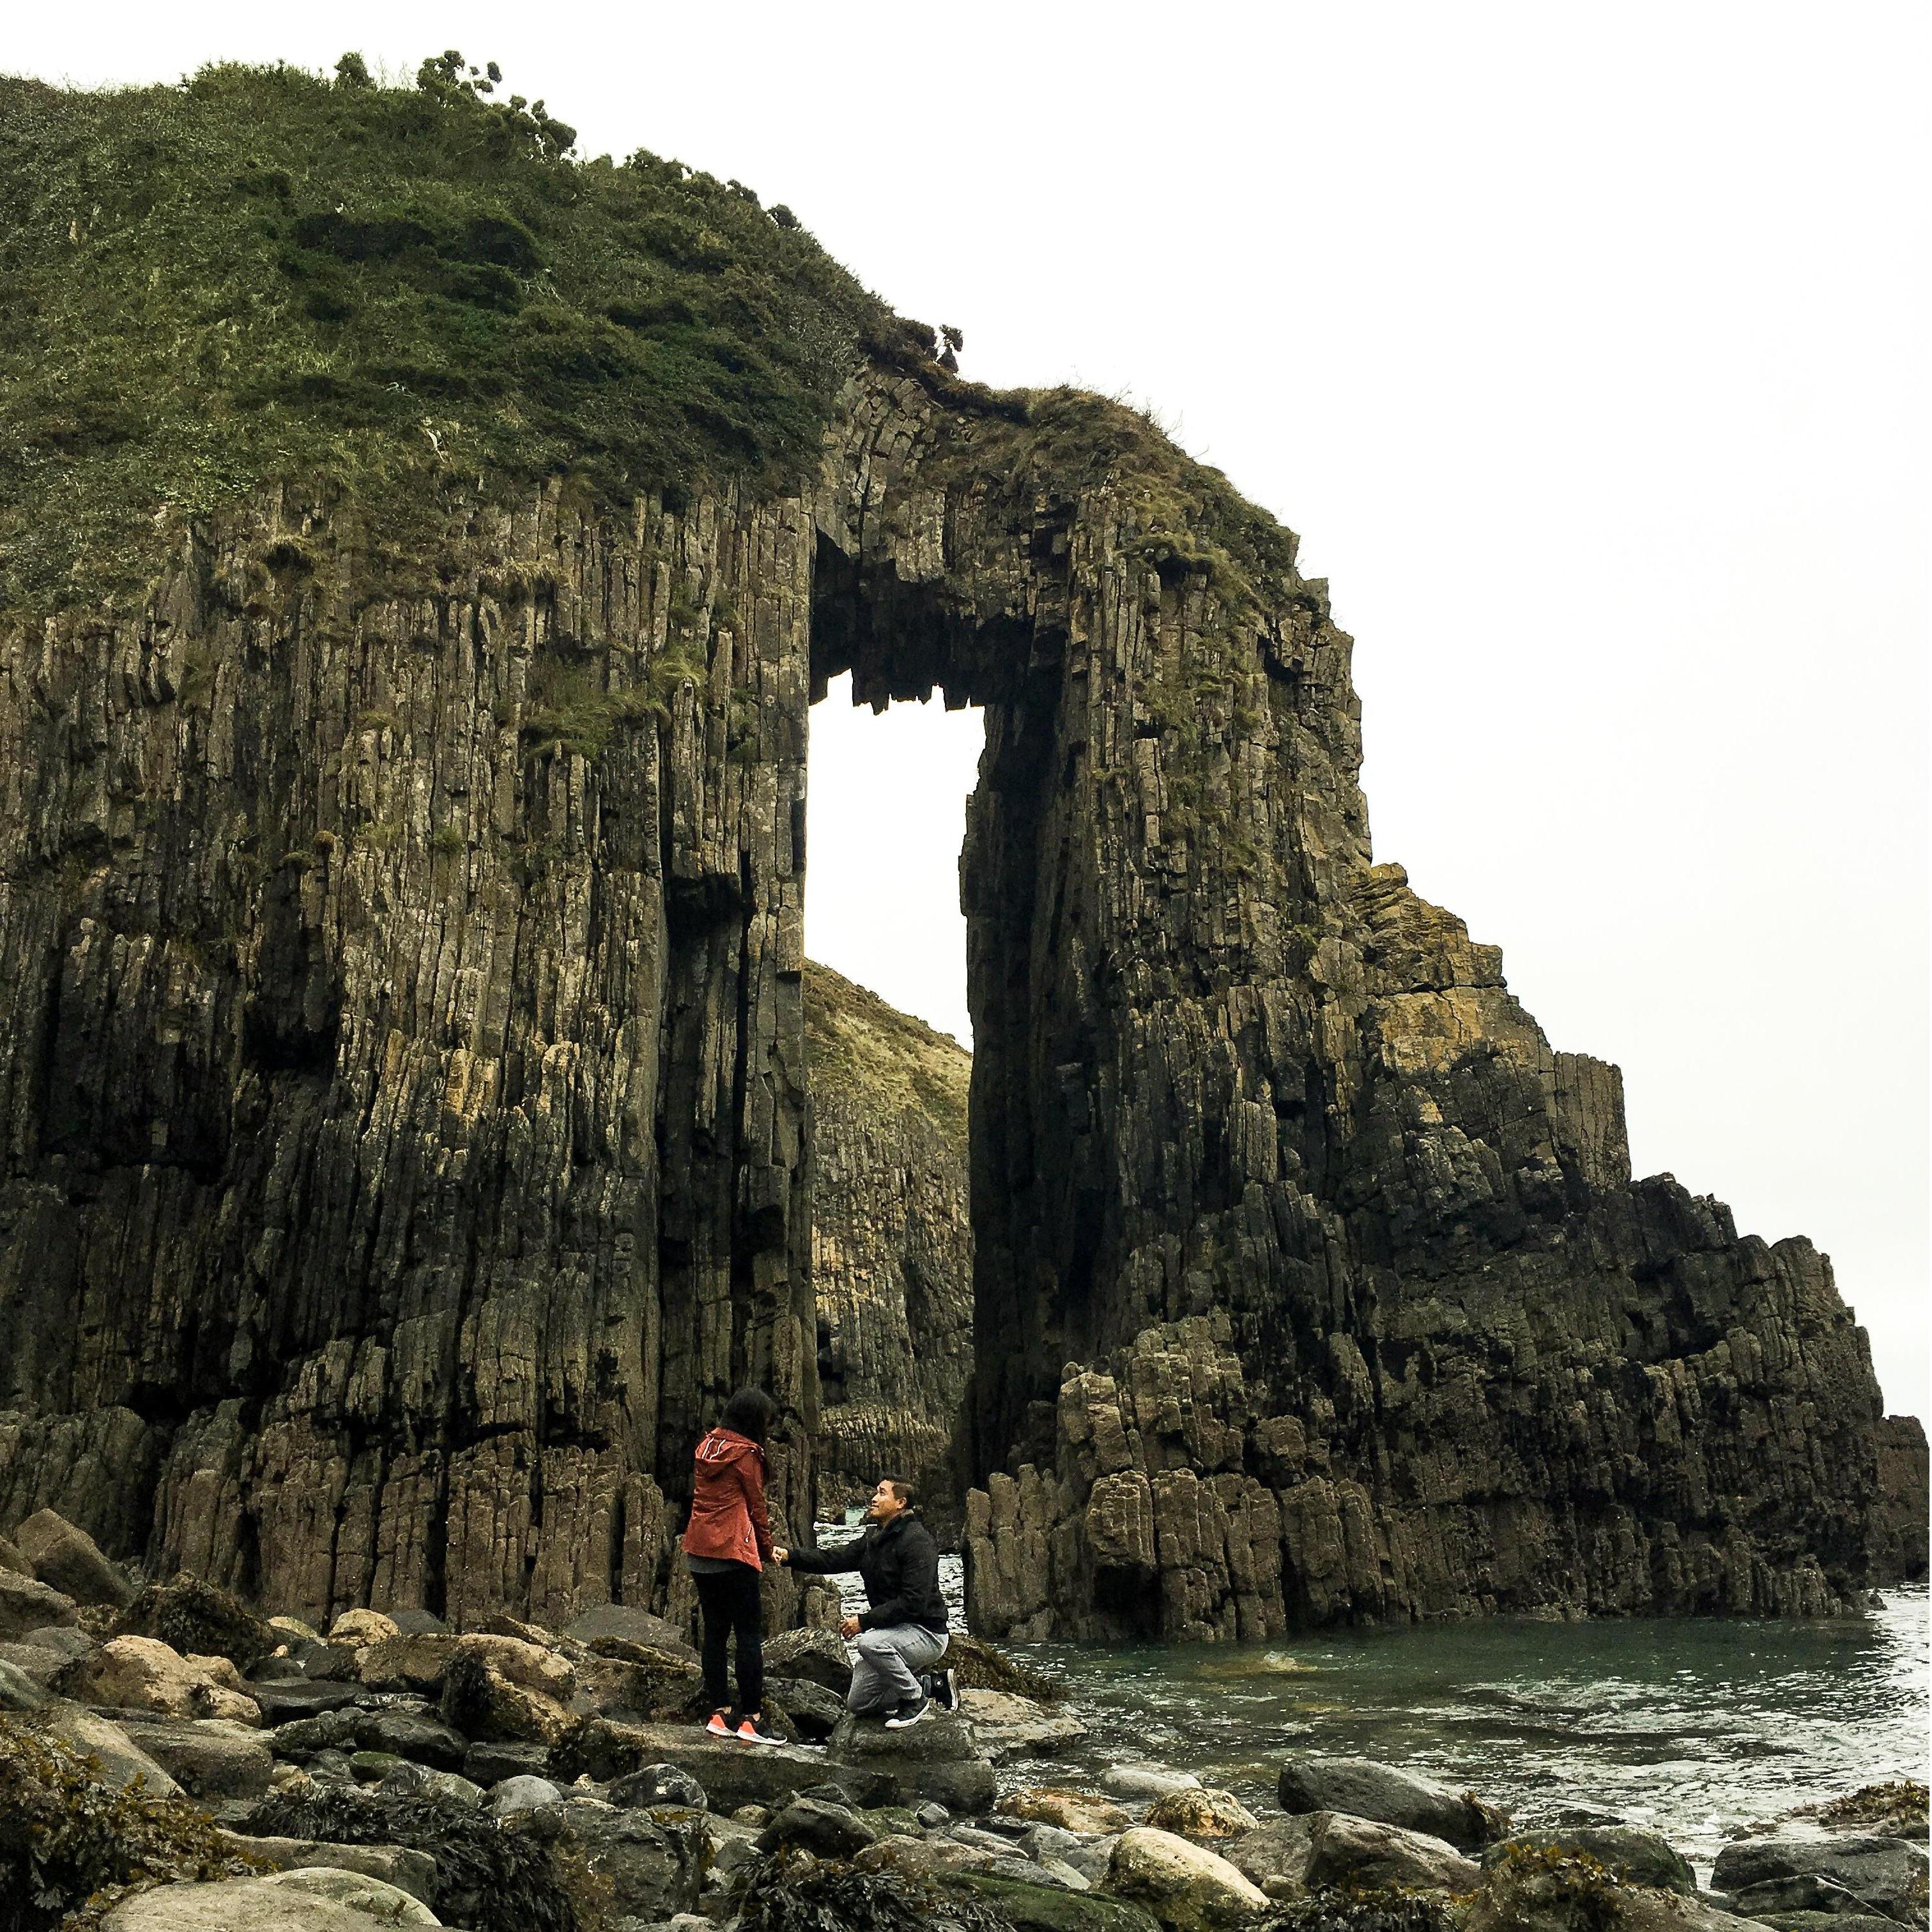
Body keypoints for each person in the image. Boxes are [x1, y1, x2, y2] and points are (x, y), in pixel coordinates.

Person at [776, 1475, 956, 1728]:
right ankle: (930, 1685)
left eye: (882, 1493)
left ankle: (915, 1700)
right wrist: (789, 1557)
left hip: (926, 1632)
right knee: (859, 1703)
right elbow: (834, 1559)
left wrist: (864, 1621)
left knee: (869, 1643)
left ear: (900, 1503)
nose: (873, 1498)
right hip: (891, 1633)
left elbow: (913, 1602)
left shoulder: (917, 1541)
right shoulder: (874, 1538)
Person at [682, 1387, 783, 1745]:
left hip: (699, 1552)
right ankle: (752, 1719)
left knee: (715, 1634)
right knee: (749, 1635)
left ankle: (720, 1713)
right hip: (733, 1554)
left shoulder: (705, 1447)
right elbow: (757, 1508)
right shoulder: (746, 1455)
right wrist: (768, 1550)